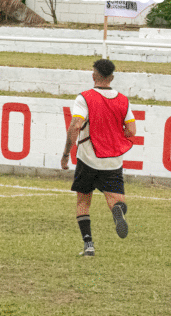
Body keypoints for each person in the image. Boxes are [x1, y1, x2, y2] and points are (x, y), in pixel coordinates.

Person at [61, 59, 135, 257]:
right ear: (111, 78)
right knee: (117, 201)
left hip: (88, 159)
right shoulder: (123, 101)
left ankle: (89, 246)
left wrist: (67, 153)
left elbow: (75, 126)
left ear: (94, 76)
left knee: (83, 202)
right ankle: (117, 212)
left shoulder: (84, 98)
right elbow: (131, 130)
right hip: (112, 161)